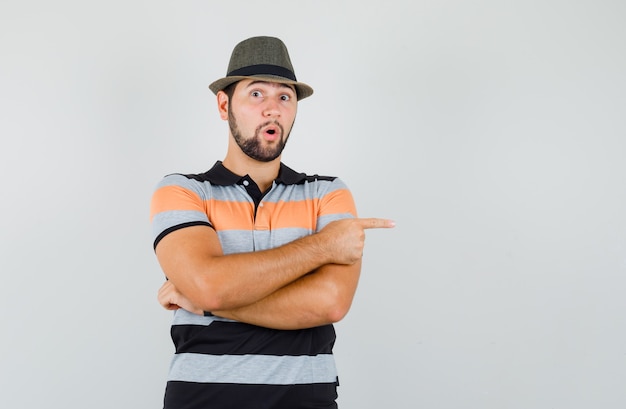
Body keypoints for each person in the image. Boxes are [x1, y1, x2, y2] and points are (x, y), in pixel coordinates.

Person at [150, 36, 394, 409]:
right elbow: (209, 286)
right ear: (224, 105)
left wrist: (206, 303)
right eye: (256, 94)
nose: (272, 109)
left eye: (284, 97)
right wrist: (324, 246)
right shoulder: (182, 191)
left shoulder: (327, 193)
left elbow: (329, 303)